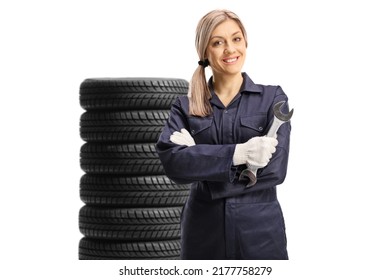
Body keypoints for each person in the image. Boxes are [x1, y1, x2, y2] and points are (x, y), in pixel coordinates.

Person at [156, 9, 291, 260]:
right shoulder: (184, 106)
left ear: (246, 43)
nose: (230, 49)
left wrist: (201, 163)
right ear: (205, 52)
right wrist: (239, 154)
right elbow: (174, 164)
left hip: (260, 237)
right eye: (218, 42)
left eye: (236, 39)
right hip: (203, 235)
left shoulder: (273, 99)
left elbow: (275, 170)